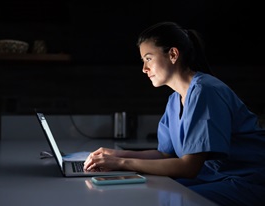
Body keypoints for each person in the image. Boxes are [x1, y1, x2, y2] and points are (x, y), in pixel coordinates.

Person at [83, 21, 265, 205]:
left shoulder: (205, 90)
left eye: (148, 58)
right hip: (215, 178)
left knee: (166, 199)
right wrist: (115, 155)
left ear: (173, 54)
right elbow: (165, 155)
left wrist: (122, 164)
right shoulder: (174, 100)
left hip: (246, 182)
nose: (144, 69)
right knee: (148, 191)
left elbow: (188, 167)